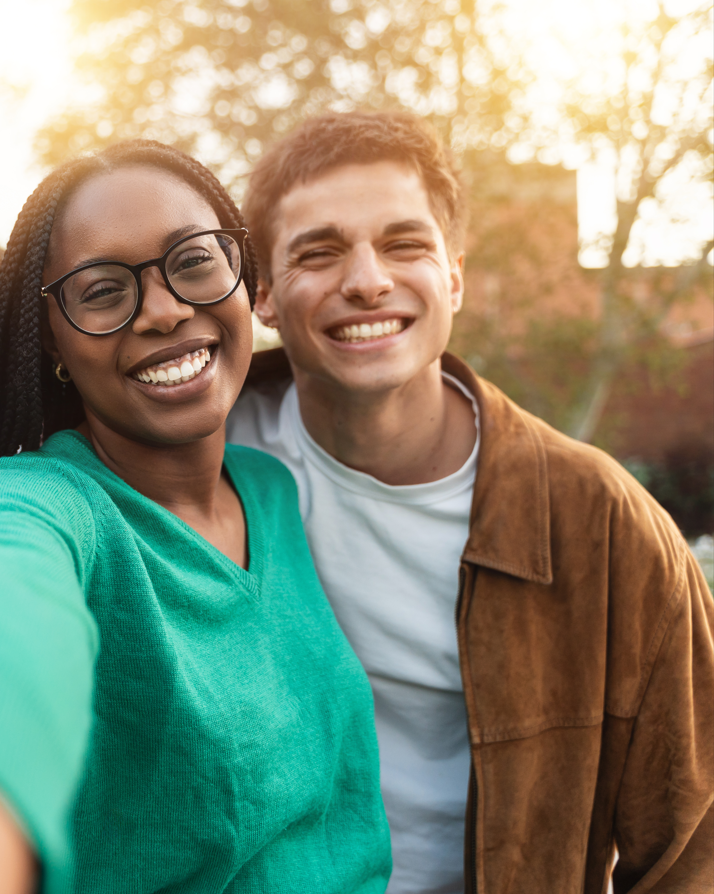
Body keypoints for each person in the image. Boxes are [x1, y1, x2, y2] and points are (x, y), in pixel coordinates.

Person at [0, 140, 392, 894]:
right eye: (101, 291)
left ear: (243, 276)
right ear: (54, 342)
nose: (164, 310)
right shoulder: (37, 503)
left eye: (194, 260)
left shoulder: (271, 485)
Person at [230, 110, 713, 892]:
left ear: (452, 273)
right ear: (263, 299)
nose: (366, 280)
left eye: (403, 243)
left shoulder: (600, 523)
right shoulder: (202, 462)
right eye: (318, 252)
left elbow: (692, 847)